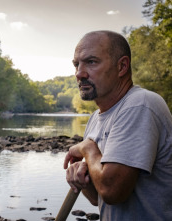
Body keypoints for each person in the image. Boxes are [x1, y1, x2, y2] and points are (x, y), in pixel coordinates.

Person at [64, 30, 172, 220]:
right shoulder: (95, 119)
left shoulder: (140, 104)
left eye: (91, 62)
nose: (79, 73)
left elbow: (111, 191)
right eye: (76, 64)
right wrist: (80, 179)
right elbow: (97, 198)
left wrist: (89, 150)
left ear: (121, 66)